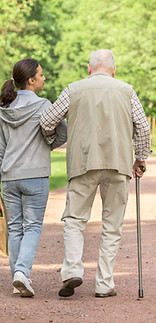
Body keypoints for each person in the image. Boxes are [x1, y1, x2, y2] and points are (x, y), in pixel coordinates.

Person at [40, 49, 151, 298]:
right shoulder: (126, 90)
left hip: (83, 162)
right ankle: (104, 284)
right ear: (114, 70)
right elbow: (142, 127)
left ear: (89, 69)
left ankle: (72, 271)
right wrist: (140, 158)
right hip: (118, 164)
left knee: (75, 220)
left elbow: (47, 121)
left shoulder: (74, 89)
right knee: (112, 226)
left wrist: (53, 140)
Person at [0, 58, 67, 297]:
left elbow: (0, 149)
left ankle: (18, 278)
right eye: (40, 75)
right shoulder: (43, 106)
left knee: (14, 228)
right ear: (30, 80)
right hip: (35, 175)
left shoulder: (4, 108)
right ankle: (21, 272)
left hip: (9, 177)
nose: (44, 78)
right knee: (33, 226)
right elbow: (63, 133)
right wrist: (44, 146)